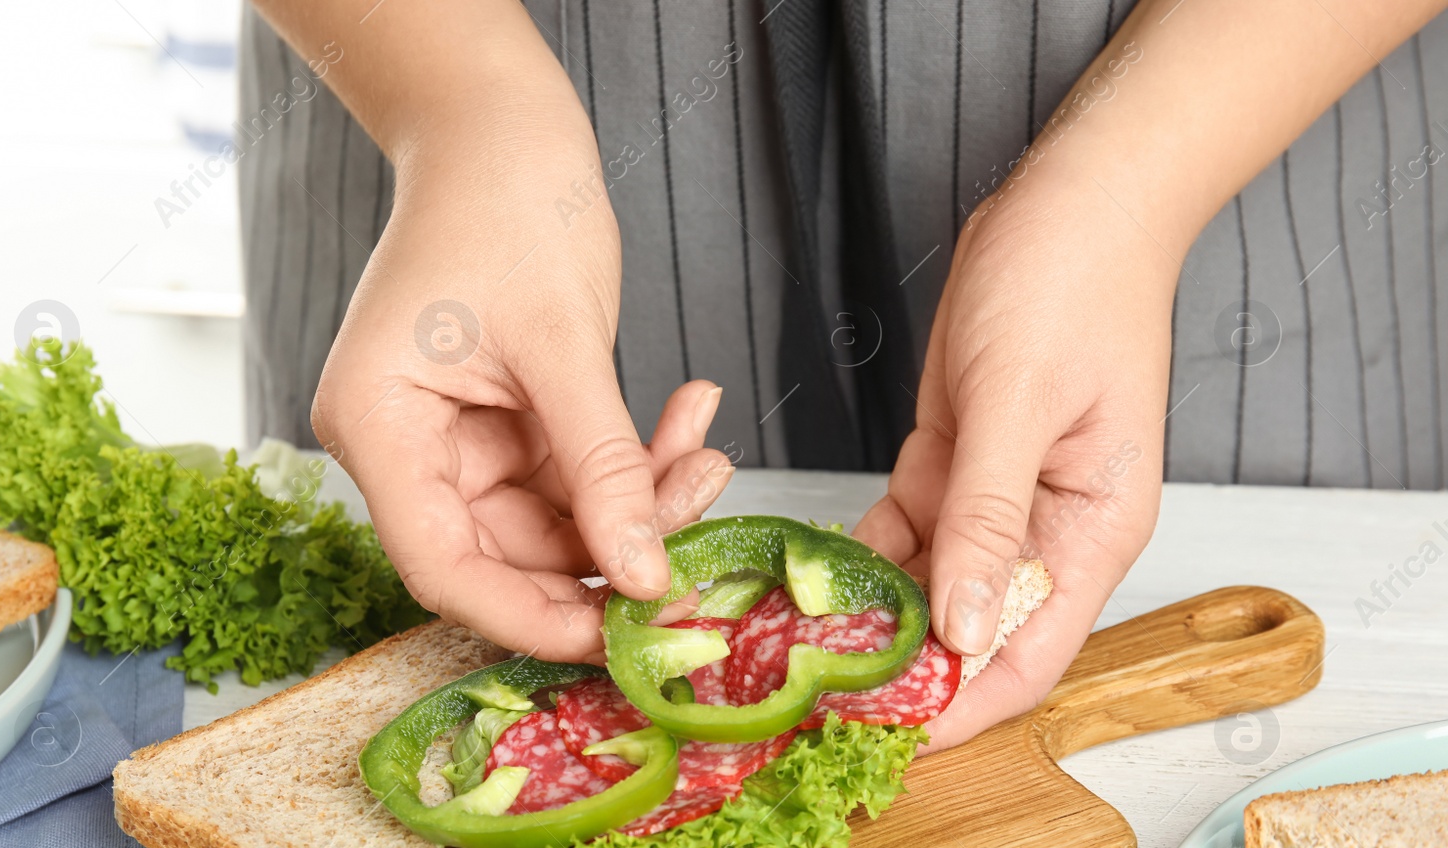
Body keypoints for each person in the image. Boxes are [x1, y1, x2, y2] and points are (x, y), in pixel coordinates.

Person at [240, 0, 1448, 751]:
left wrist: (1131, 190)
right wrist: (460, 107)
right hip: (434, 70)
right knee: (456, 545)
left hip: (1241, 87)